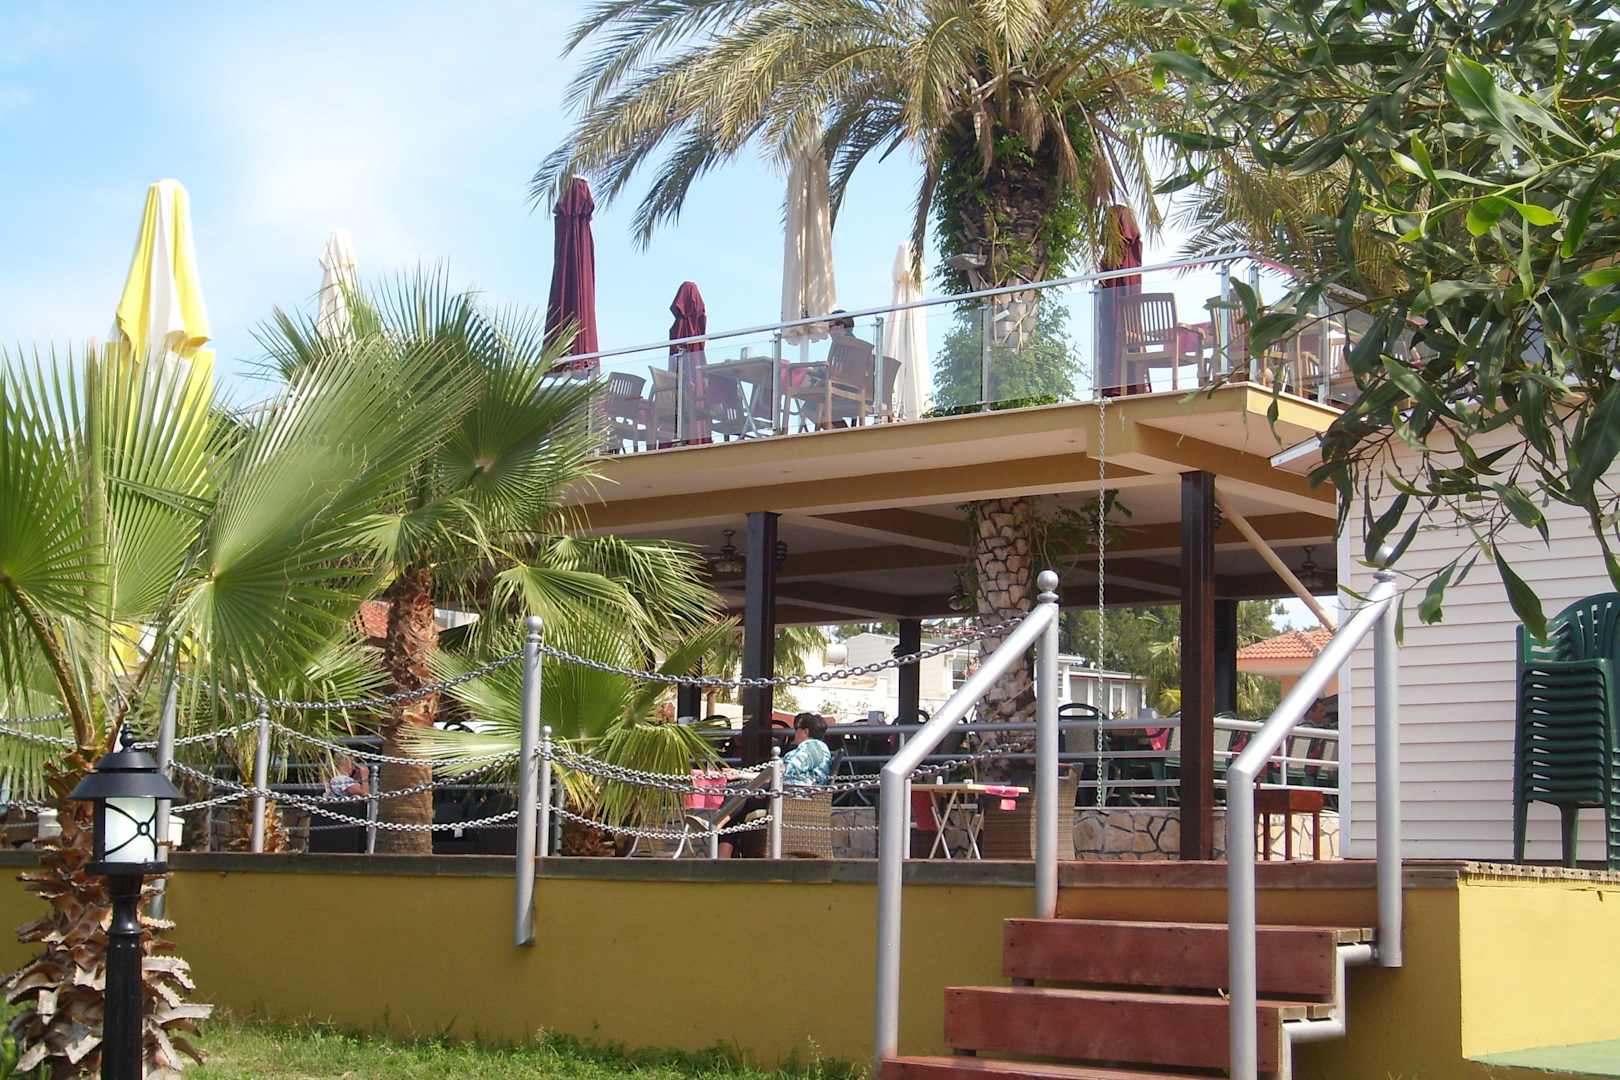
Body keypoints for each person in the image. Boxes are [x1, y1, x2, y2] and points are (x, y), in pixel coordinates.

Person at [718, 713, 830, 857]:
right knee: (738, 802)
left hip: (789, 794)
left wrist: (741, 774)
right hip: (785, 792)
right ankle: (720, 837)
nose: (795, 733)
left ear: (805, 731)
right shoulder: (816, 748)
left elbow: (781, 771)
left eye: (796, 729)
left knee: (739, 790)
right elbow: (775, 773)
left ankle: (717, 822)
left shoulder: (811, 746)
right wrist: (741, 774)